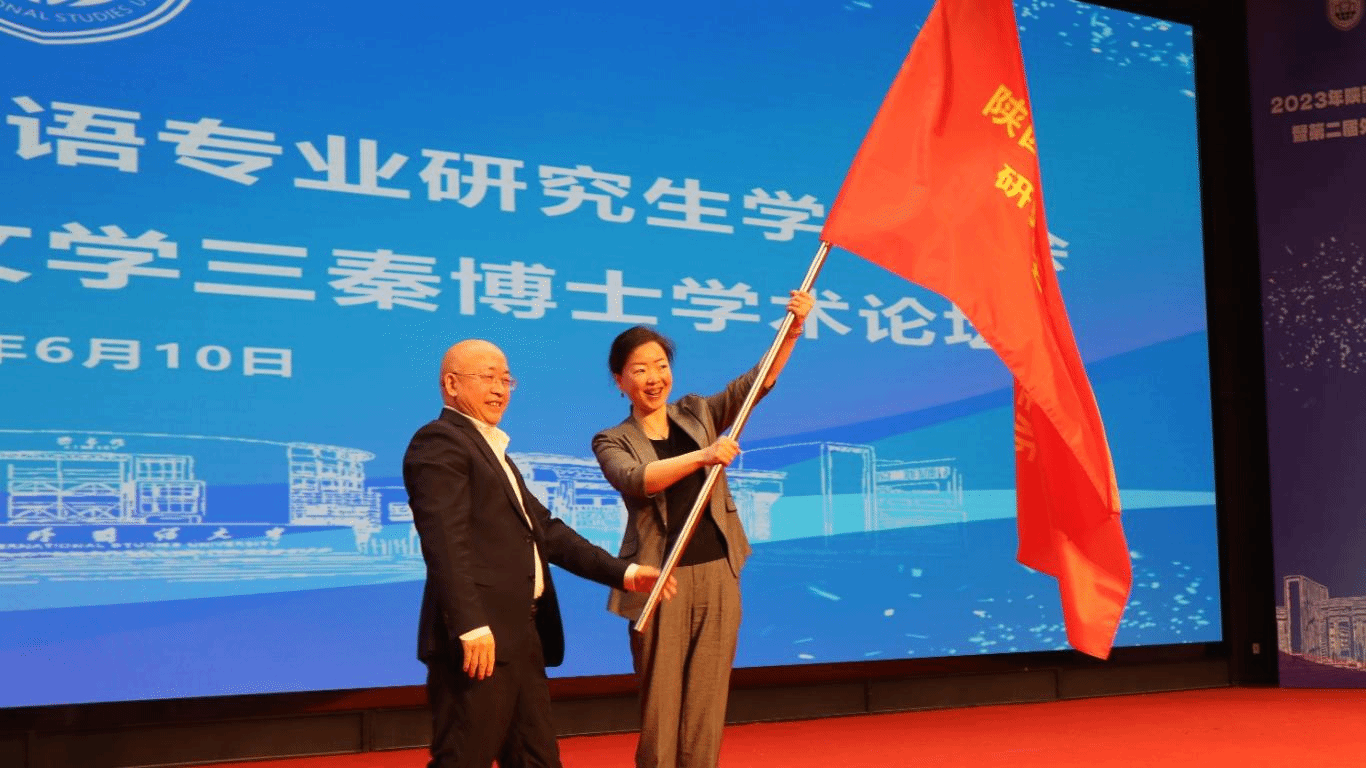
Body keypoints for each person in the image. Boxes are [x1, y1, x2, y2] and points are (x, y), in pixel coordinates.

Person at [403, 339, 676, 768]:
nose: (500, 389)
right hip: (480, 643)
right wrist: (470, 626)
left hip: (521, 639)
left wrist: (625, 573)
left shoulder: (492, 452)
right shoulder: (439, 442)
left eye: (506, 379)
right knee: (464, 758)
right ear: (452, 385)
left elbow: (546, 532)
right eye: (487, 378)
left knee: (537, 760)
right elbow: (444, 542)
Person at [592, 290, 815, 768]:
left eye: (661, 366)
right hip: (660, 580)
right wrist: (703, 455)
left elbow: (757, 383)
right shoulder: (612, 439)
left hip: (718, 570)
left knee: (707, 703)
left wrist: (793, 330)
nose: (654, 378)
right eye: (640, 369)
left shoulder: (696, 411)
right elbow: (638, 479)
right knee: (661, 706)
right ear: (620, 381)